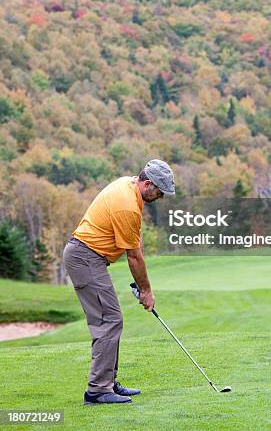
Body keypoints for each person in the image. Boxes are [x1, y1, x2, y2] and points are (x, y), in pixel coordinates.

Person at [62, 159, 175, 406]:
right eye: (159, 191)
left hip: (88, 257)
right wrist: (146, 290)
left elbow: (136, 242)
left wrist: (142, 284)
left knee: (110, 318)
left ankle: (108, 383)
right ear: (147, 183)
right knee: (109, 320)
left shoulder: (128, 184)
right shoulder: (127, 205)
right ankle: (98, 390)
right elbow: (133, 256)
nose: (161, 197)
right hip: (85, 257)